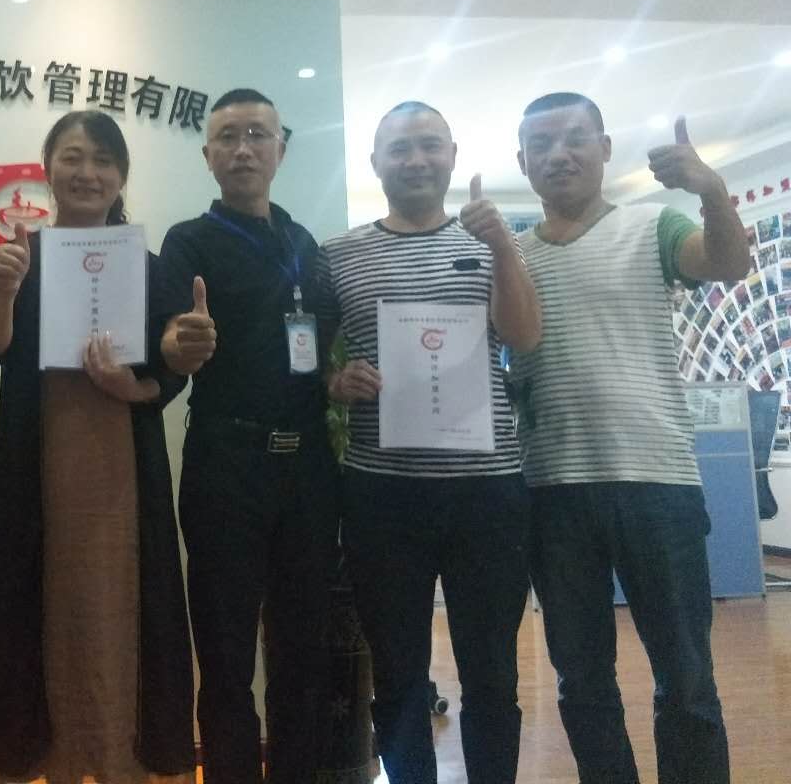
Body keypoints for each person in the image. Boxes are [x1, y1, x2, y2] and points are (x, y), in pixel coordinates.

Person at [513, 92, 748, 784]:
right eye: (541, 144)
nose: (559, 155)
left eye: (575, 138)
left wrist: (711, 190)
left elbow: (727, 263)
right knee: (581, 683)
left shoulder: (653, 225)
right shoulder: (512, 255)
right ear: (521, 161)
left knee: (687, 676)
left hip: (659, 485)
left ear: (605, 148)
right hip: (552, 490)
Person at [317, 101, 541, 784]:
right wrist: (335, 381)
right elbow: (308, 357)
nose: (415, 160)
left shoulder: (496, 243)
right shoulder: (337, 255)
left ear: (452, 155)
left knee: (492, 673)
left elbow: (525, 336)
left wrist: (500, 246)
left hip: (488, 494)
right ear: (375, 162)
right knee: (397, 676)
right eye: (399, 148)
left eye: (429, 146)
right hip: (381, 495)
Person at [0, 110, 195, 784]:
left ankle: (121, 759)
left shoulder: (149, 267)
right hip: (36, 466)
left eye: (102, 160)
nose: (87, 172)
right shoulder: (17, 257)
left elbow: (171, 365)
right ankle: (52, 759)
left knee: (123, 607)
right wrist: (3, 290)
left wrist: (139, 384)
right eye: (72, 157)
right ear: (48, 168)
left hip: (123, 472)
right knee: (37, 602)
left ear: (121, 175)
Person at [159, 88, 338, 784]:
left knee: (303, 654)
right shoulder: (188, 242)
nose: (243, 149)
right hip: (225, 466)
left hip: (309, 469)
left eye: (258, 135)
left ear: (280, 151)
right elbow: (167, 340)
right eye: (228, 137)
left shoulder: (304, 244)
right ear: (208, 156)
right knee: (226, 656)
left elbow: (324, 344)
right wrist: (179, 343)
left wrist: (341, 378)